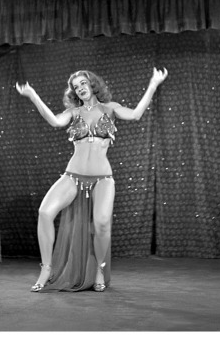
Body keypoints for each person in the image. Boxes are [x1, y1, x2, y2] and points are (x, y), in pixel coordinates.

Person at [15, 67, 168, 292]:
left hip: (102, 178)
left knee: (102, 224)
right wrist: (33, 95)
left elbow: (135, 114)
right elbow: (55, 121)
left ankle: (99, 268)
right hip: (73, 175)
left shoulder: (110, 108)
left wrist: (154, 84)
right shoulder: (74, 113)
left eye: (83, 84)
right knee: (45, 212)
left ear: (92, 84)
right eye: (76, 87)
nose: (80, 88)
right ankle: (46, 268)